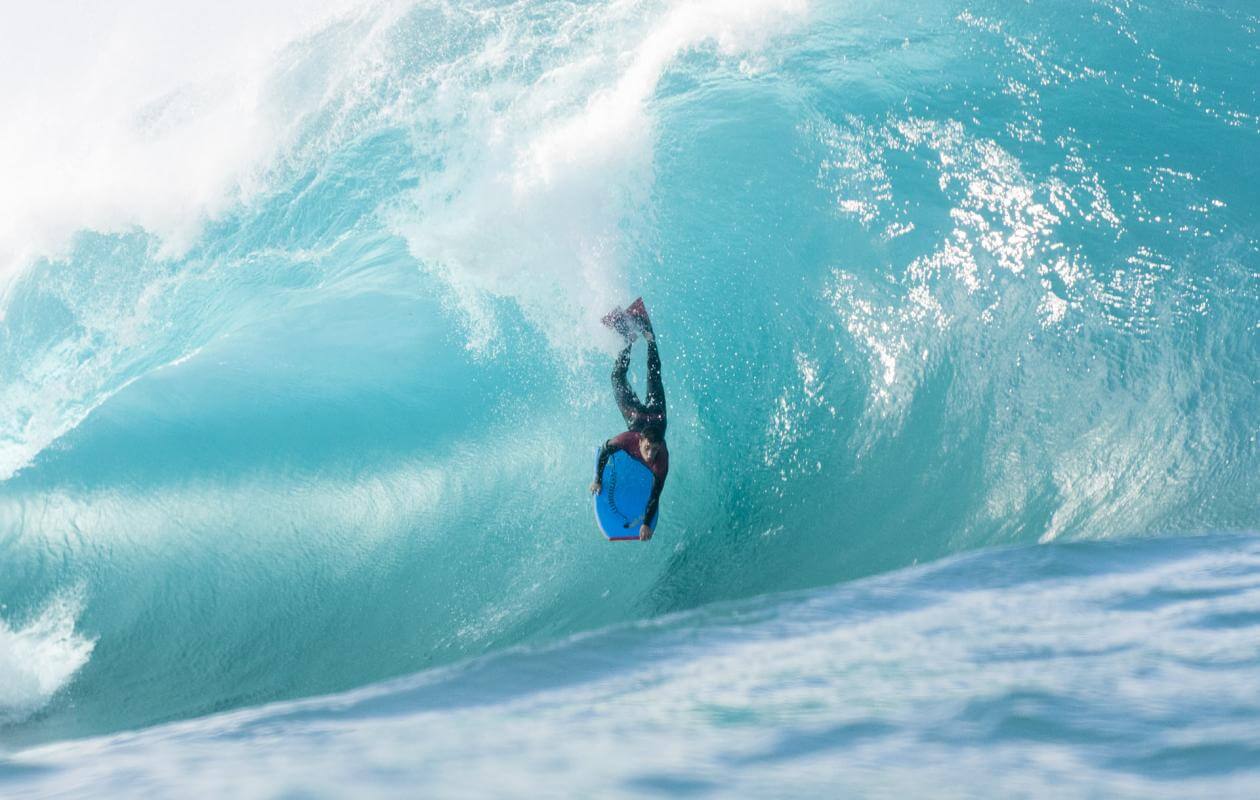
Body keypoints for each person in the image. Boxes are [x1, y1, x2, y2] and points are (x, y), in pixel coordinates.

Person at [590, 298, 669, 541]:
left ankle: (631, 334)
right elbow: (605, 450)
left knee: (625, 376)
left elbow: (655, 495)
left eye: (654, 451)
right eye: (648, 448)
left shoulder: (660, 462)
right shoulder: (628, 439)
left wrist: (646, 524)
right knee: (643, 373)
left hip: (648, 418)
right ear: (640, 441)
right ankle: (639, 333)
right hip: (647, 416)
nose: (650, 455)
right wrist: (597, 479)